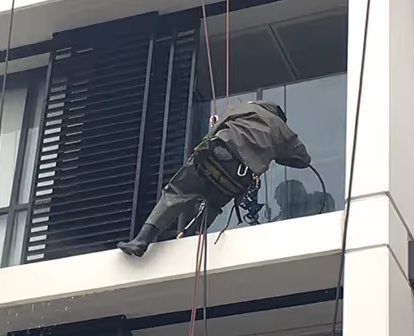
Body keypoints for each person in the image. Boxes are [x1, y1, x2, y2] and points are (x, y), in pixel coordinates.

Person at [118, 101, 311, 257]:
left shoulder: (246, 107)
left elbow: (217, 127)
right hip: (238, 177)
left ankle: (141, 240)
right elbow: (303, 160)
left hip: (217, 156)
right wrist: (277, 151)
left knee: (177, 192)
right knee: (214, 204)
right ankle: (191, 237)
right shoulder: (284, 131)